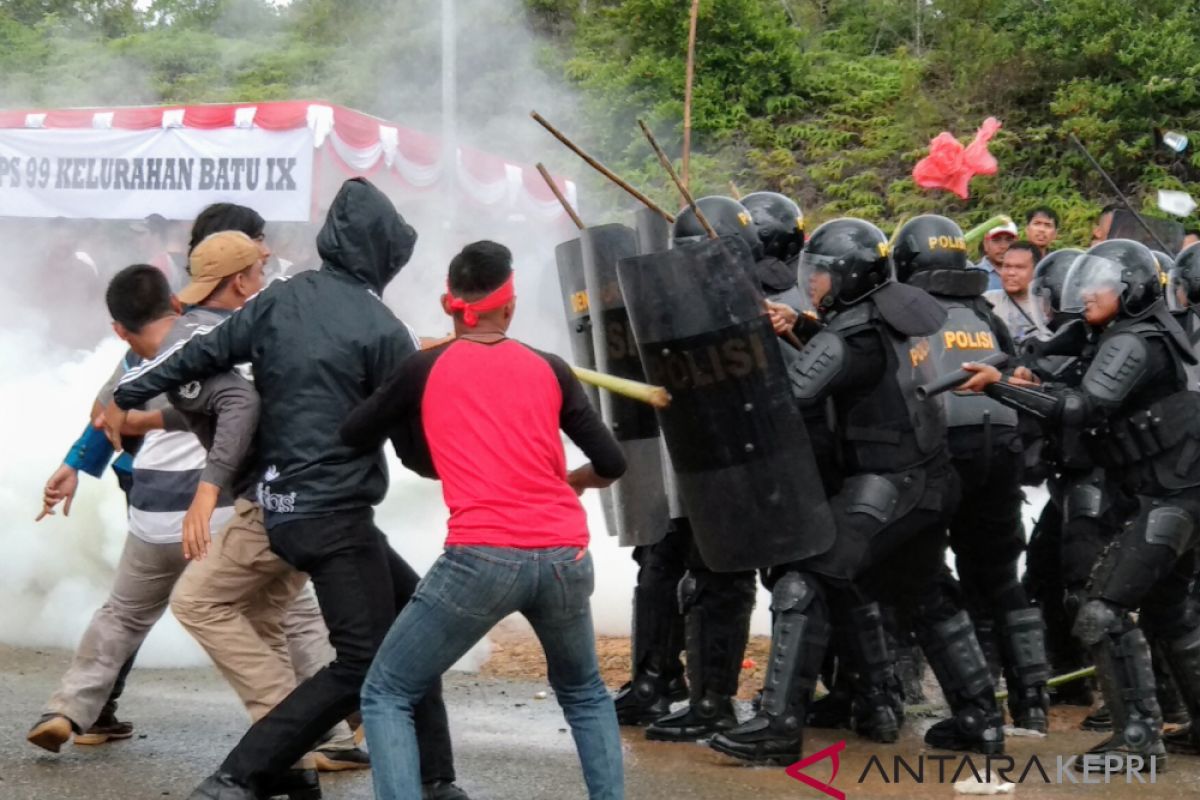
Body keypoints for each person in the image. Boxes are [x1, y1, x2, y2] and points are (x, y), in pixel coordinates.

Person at [108, 178, 466, 800]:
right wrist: (471, 461)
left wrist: (127, 393)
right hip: (335, 518)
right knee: (361, 663)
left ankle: (438, 781)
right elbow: (414, 452)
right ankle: (238, 776)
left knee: (415, 624)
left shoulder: (278, 300)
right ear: (383, 255)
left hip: (280, 510)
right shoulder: (387, 331)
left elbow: (194, 355)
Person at [710, 218, 1004, 764]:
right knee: (926, 594)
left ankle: (778, 726)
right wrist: (799, 320)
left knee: (804, 581)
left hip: (889, 484)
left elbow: (792, 398)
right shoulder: (892, 312)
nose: (813, 281)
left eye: (820, 274)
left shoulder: (850, 336)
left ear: (847, 275)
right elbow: (845, 357)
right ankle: (980, 720)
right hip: (929, 480)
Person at [343, 240, 627, 800]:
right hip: (566, 556)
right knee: (586, 692)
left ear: (451, 304)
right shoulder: (550, 368)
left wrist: (413, 392)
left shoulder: (423, 368)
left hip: (482, 559)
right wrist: (571, 481)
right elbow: (612, 464)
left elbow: (352, 434)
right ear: (510, 306)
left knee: (387, 692)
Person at [961, 238, 1200, 768]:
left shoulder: (1132, 341)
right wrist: (1031, 375)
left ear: (1131, 290)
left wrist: (1002, 387)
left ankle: (1138, 736)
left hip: (1175, 496)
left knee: (1101, 609)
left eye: (1101, 286)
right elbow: (1070, 378)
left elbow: (1082, 407)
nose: (1087, 294)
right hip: (1177, 491)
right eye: (1086, 283)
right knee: (1169, 610)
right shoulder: (1131, 332)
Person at [27, 265, 241, 753]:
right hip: (221, 503)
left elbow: (105, 413)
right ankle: (328, 726)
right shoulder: (236, 336)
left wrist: (77, 461)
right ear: (239, 279)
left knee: (123, 612)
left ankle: (71, 709)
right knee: (283, 611)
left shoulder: (145, 344)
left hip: (151, 501)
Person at [893, 214, 1050, 731]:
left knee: (923, 573)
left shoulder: (905, 308)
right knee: (1001, 578)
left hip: (943, 451)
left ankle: (968, 701)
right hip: (1001, 449)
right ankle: (1032, 702)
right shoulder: (984, 309)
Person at [985, 241, 1048, 343]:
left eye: (1019, 267)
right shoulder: (986, 302)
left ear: (1036, 270)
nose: (1011, 273)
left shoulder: (1048, 306)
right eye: (1007, 266)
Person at [972, 220, 1018, 291]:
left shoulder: (1026, 274)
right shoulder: (974, 276)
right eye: (996, 240)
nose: (1003, 246)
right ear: (986, 244)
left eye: (1009, 240)